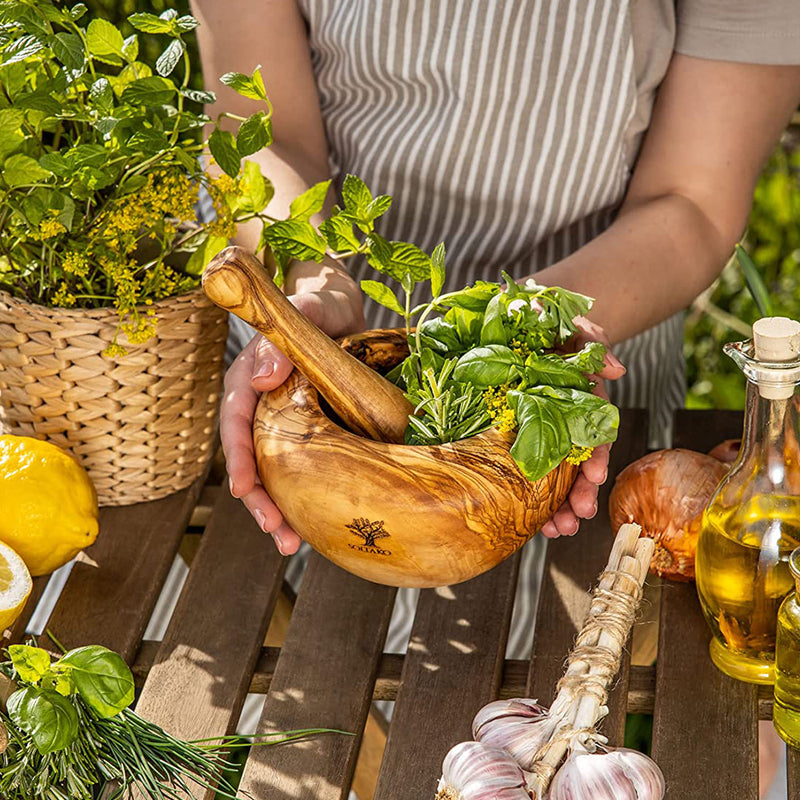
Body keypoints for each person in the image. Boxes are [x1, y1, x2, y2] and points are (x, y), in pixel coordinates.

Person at [191, 0, 800, 646]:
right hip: (323, 383)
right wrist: (310, 287)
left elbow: (693, 202)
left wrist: (542, 338)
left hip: (576, 372)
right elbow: (265, 130)